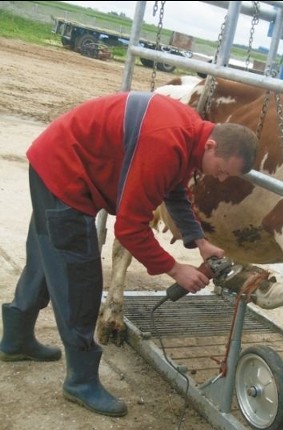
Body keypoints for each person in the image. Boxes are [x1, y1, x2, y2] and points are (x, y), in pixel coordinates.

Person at [0, 91, 259, 417]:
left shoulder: (191, 131)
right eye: (221, 170)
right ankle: (80, 382)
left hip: (52, 160)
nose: (219, 178)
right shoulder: (166, 144)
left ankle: (15, 340)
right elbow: (130, 228)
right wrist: (174, 269)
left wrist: (199, 241)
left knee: (46, 257)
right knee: (79, 278)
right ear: (211, 146)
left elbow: (174, 189)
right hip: (64, 174)